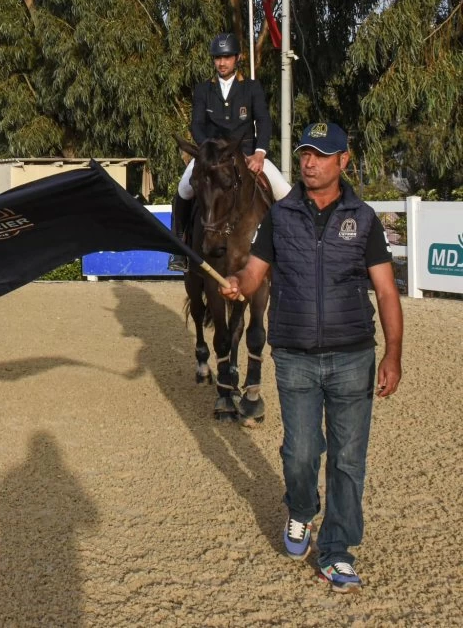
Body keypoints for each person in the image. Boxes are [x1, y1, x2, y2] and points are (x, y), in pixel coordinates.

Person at [220, 123, 403, 593]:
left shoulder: (363, 219)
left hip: (353, 357)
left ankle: (337, 550)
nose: (308, 163)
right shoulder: (280, 217)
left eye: (321, 155)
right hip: (297, 356)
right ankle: (302, 511)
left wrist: (394, 355)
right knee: (300, 454)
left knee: (347, 460)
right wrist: (240, 284)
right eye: (304, 153)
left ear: (344, 160)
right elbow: (255, 271)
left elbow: (385, 290)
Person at [168, 32, 290, 271]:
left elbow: (264, 121)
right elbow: (197, 124)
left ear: (237, 58)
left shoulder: (251, 87)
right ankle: (179, 249)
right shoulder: (204, 89)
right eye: (217, 58)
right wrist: (206, 151)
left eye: (226, 57)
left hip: (247, 152)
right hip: (211, 153)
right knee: (183, 189)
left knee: (286, 193)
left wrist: (260, 153)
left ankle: (287, 250)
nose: (221, 63)